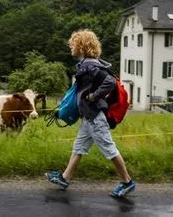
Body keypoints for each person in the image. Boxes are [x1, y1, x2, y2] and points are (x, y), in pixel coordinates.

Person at [45, 29, 135, 198]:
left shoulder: (90, 64)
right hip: (89, 117)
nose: (71, 47)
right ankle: (65, 178)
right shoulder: (89, 63)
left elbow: (109, 82)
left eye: (73, 44)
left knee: (109, 149)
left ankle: (127, 182)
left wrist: (94, 96)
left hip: (95, 118)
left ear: (81, 46)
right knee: (79, 148)